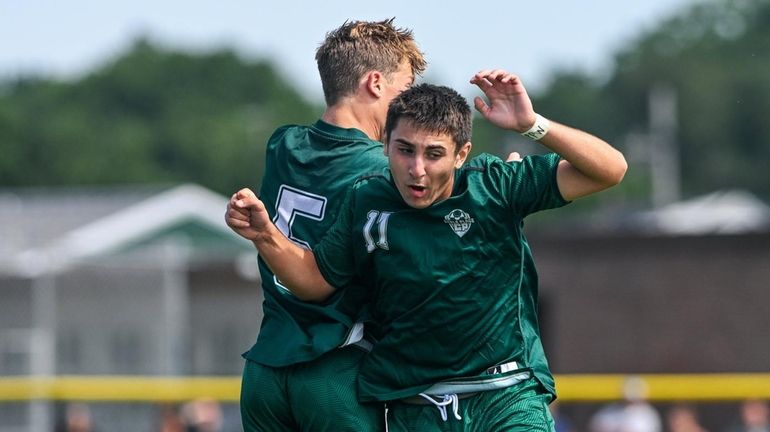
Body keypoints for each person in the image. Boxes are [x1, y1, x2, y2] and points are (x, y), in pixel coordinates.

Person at [227, 72, 627, 430]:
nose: (417, 168)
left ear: (461, 154)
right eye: (405, 150)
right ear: (385, 145)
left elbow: (611, 169)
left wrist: (532, 125)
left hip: (504, 396)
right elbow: (314, 281)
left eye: (434, 154)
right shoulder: (366, 199)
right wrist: (265, 235)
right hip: (415, 405)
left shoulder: (495, 185)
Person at [231, 18, 426, 432]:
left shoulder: (282, 143)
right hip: (335, 368)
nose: (409, 105)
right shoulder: (383, 170)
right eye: (404, 90)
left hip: (266, 368)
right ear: (375, 83)